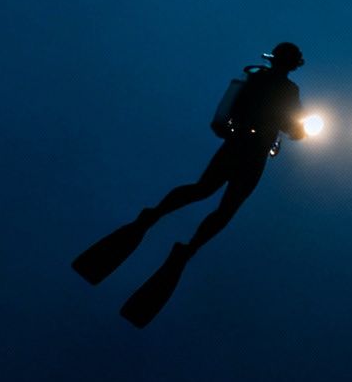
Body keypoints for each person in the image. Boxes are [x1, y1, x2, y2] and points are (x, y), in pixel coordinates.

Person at [73, 42, 309, 327]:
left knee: (205, 190)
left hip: (238, 145)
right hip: (252, 151)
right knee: (223, 205)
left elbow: (272, 120)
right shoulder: (287, 90)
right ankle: (183, 243)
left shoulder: (258, 78)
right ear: (292, 64)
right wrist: (298, 127)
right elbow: (293, 127)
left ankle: (155, 218)